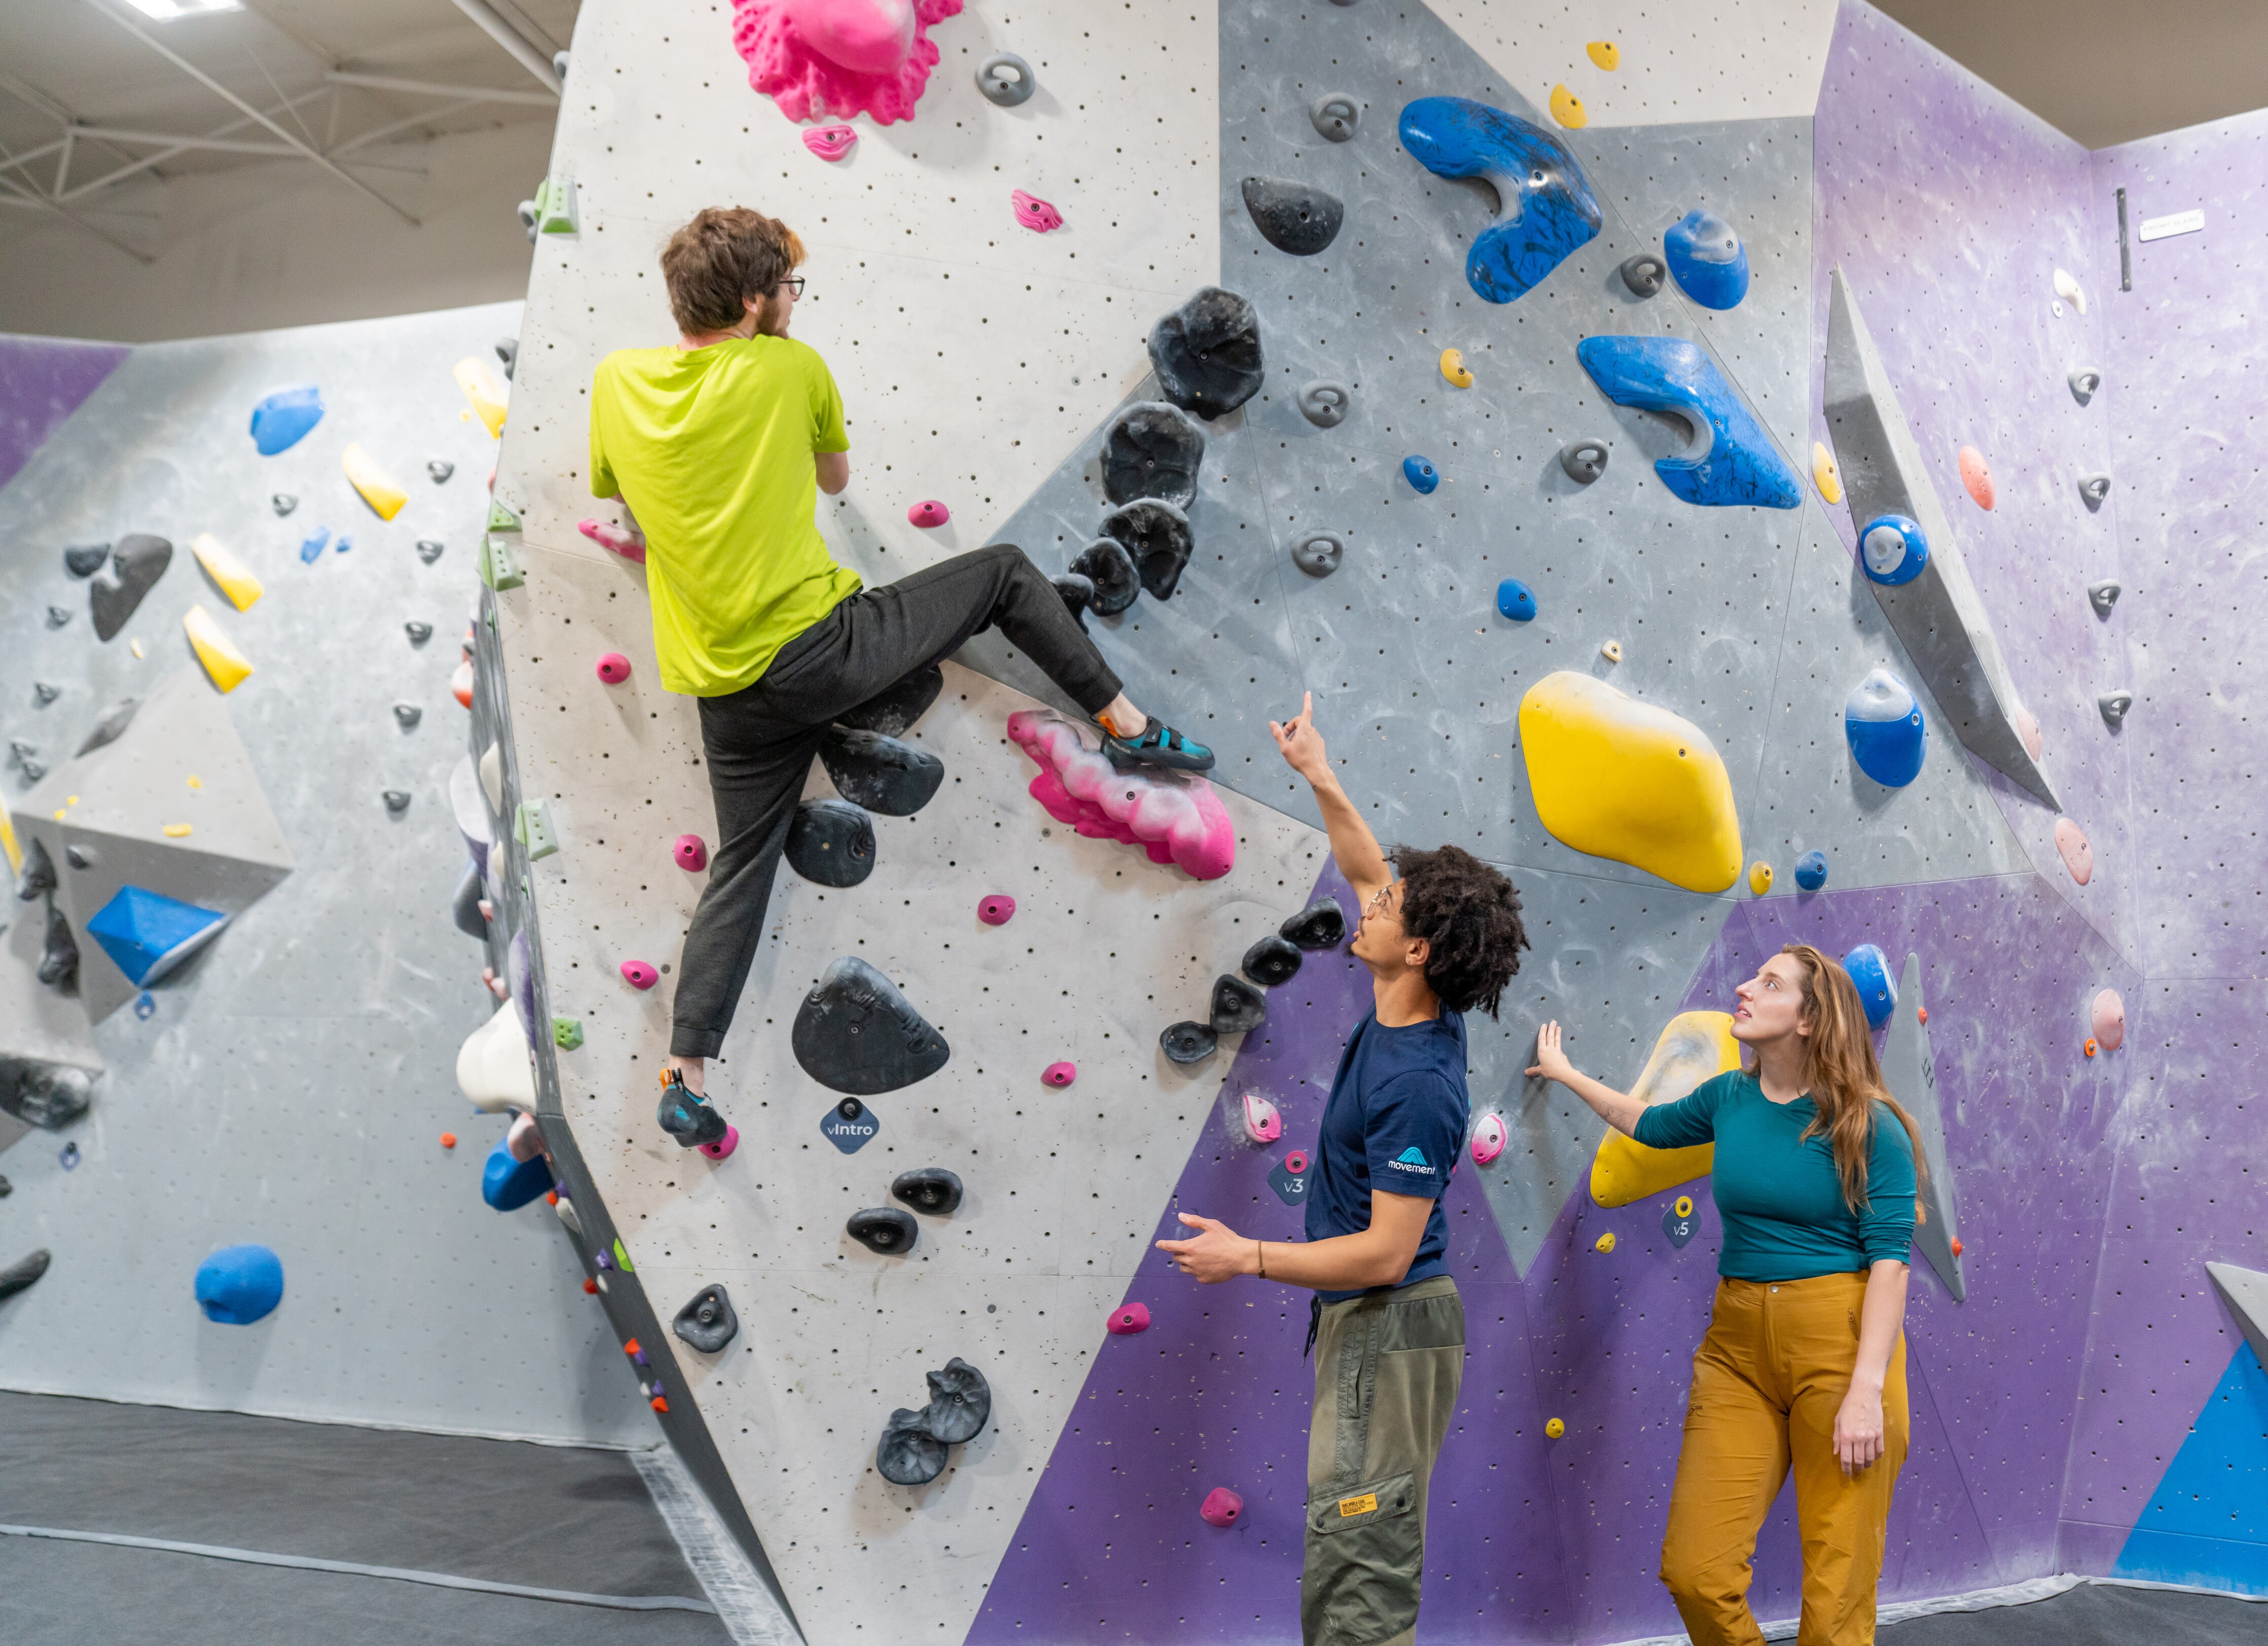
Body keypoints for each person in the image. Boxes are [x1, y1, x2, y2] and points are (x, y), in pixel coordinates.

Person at [588, 206, 1215, 1111]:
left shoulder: (615, 382)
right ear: (758, 299)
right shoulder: (787, 365)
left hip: (726, 691)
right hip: (821, 649)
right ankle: (1129, 726)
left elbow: (620, 493)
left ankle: (683, 1075)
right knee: (1001, 572)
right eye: (790, 290)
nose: (796, 304)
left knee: (742, 862)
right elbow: (836, 479)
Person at [1155, 694, 1528, 1646]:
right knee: (1348, 1559)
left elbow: (1384, 1254)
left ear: (1418, 951)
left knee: (1360, 1575)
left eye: (1389, 908)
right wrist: (1318, 771)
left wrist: (1249, 1258)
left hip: (1389, 1325)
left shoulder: (1418, 1083)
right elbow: (1368, 864)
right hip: (1372, 1333)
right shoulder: (1405, 997)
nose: (1364, 902)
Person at [1527, 945, 1926, 1646]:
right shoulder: (1729, 1098)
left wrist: (1866, 1392)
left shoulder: (1870, 1123)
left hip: (1842, 1348)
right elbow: (1645, 1123)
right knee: (1695, 1573)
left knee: (1836, 1609)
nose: (1743, 988)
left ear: (1809, 1019)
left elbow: (1891, 1266)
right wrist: (1565, 1075)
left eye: (1769, 984)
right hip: (1738, 1348)